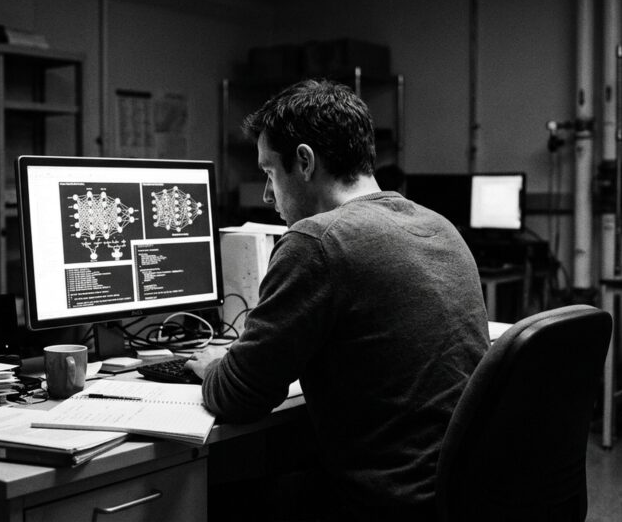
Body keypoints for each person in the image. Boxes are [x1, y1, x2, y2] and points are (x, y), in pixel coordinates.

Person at [187, 79, 489, 520]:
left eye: (270, 172)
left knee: (211, 502)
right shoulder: (437, 225)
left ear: (305, 162)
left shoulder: (316, 241)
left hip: (387, 501)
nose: (267, 194)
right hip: (459, 492)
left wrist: (211, 367)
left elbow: (240, 396)